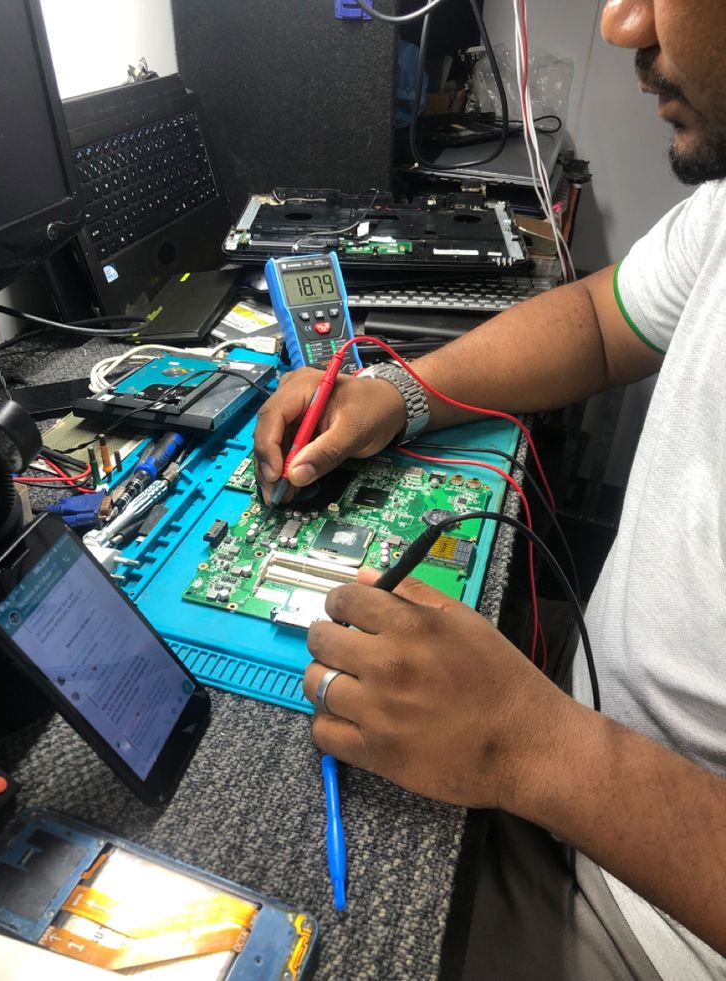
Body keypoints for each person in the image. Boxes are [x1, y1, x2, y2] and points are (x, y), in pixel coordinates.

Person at [253, 1, 726, 977]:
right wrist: (399, 393)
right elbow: (603, 320)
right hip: (581, 750)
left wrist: (535, 751)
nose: (621, 24)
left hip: (651, 924)